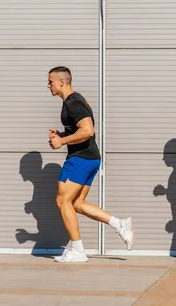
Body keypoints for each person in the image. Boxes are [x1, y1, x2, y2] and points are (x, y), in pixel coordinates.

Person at [47, 66, 133, 263]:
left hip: (80, 158)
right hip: (90, 158)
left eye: (50, 81)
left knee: (62, 201)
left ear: (62, 82)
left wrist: (62, 141)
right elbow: (81, 130)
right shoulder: (76, 100)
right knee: (77, 203)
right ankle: (119, 224)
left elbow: (87, 131)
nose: (48, 85)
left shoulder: (73, 102)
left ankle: (78, 250)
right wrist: (63, 135)